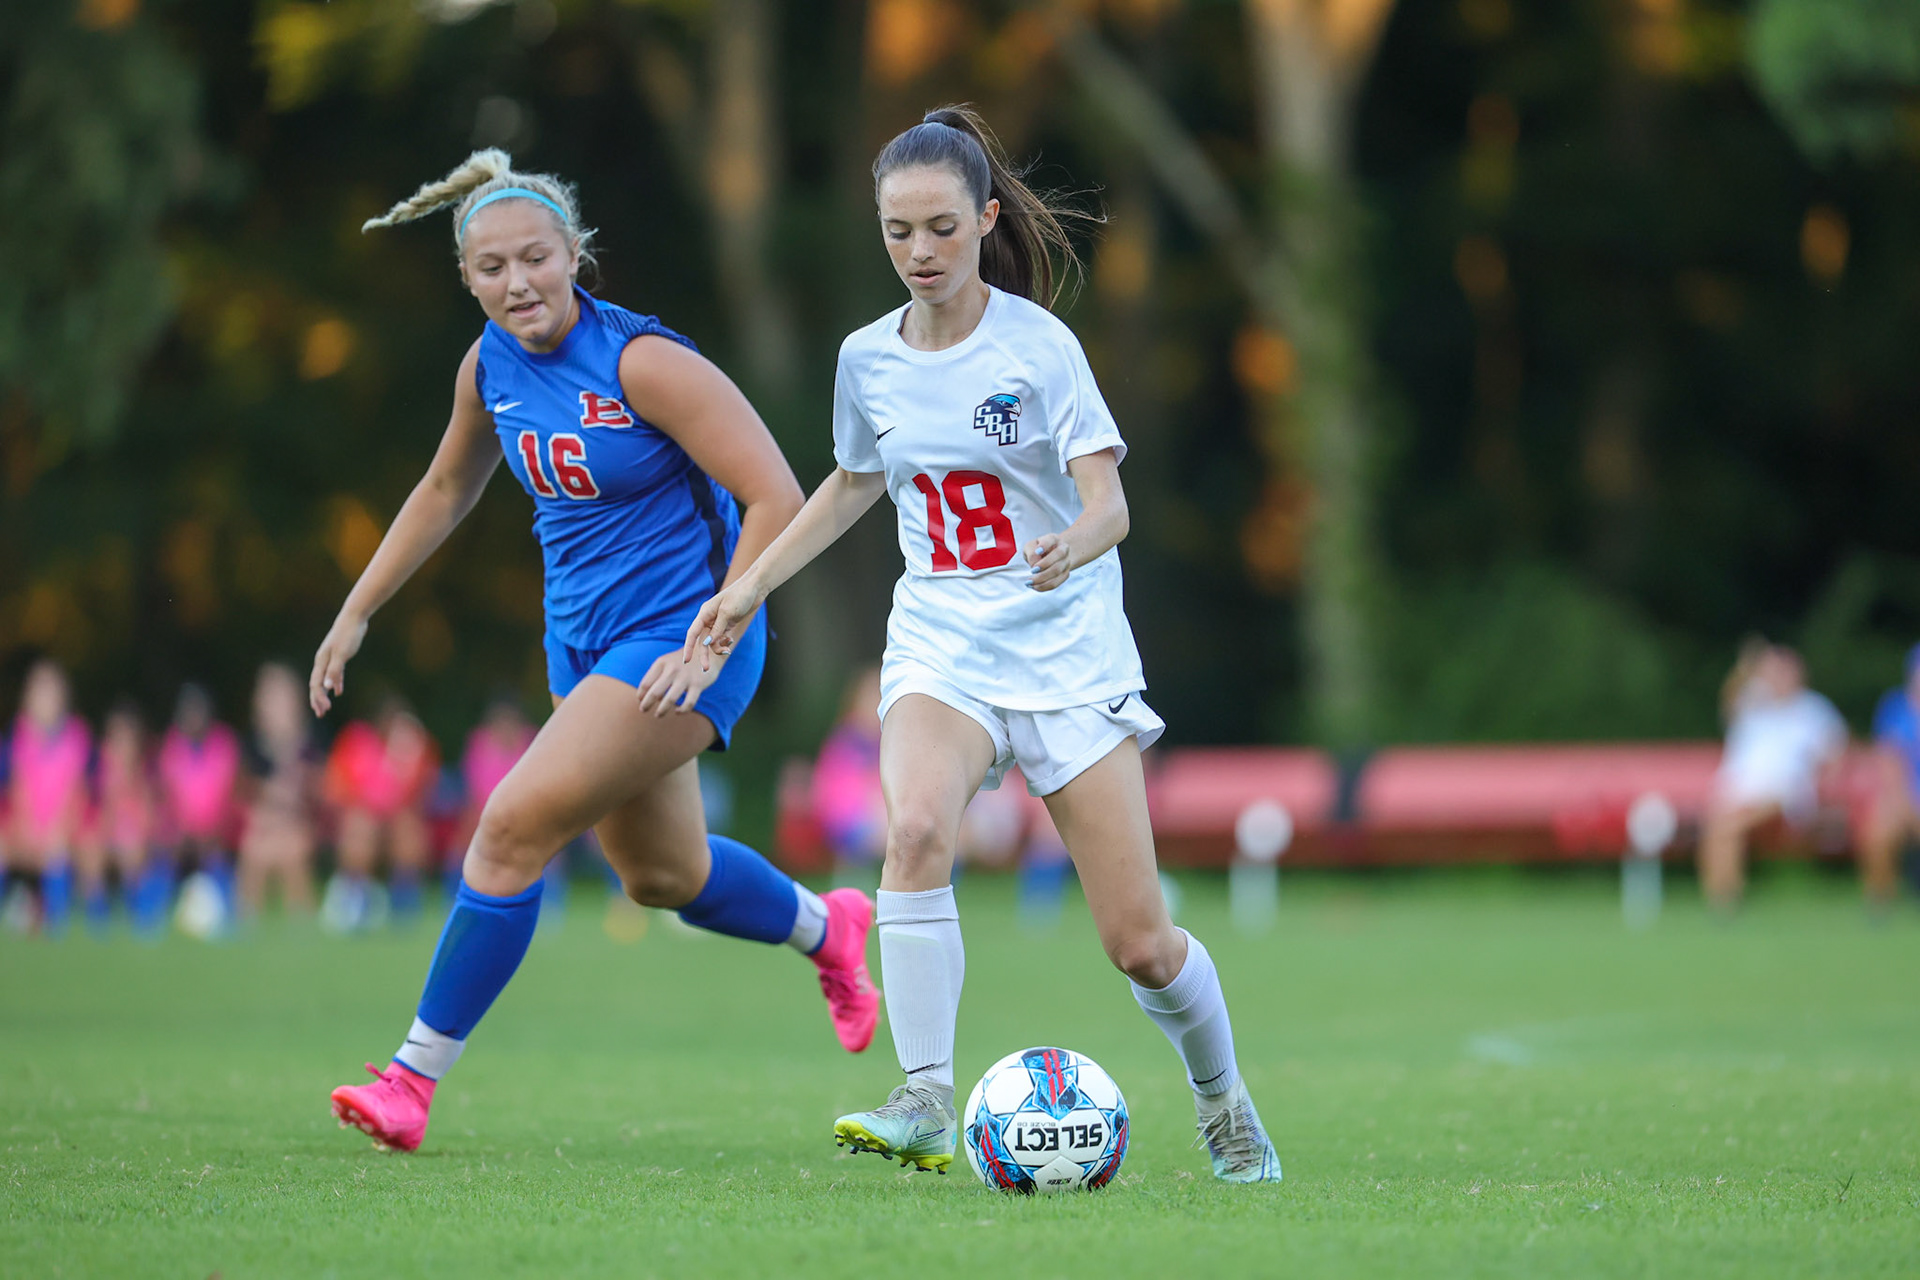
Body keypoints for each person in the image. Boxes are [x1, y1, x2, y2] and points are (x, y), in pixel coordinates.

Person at [684, 106, 1281, 1183]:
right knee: (913, 827)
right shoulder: (866, 357)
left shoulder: (1039, 347)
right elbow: (854, 484)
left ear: (986, 219)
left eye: (941, 228)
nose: (918, 252)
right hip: (942, 646)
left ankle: (1223, 1101)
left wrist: (1073, 544)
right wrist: (749, 585)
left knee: (1140, 942)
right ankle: (924, 1096)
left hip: (1067, 658)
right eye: (897, 231)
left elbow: (1110, 504)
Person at [315, 149, 877, 1154]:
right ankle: (827, 927)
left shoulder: (641, 364)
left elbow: (778, 498)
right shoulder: (487, 366)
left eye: (535, 257)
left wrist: (713, 639)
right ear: (467, 277)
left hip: (685, 638)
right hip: (581, 646)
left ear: (574, 253)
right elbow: (445, 489)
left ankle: (409, 1079)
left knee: (509, 826)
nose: (517, 282)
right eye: (492, 267)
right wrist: (357, 608)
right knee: (663, 876)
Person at [1700, 640, 1848, 910]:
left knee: (1726, 826)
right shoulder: (1752, 703)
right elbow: (1728, 700)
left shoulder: (1814, 711)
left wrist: (1828, 793)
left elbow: (1835, 757)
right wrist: (1744, 669)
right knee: (1721, 824)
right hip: (1741, 790)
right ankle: (1723, 896)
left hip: (1786, 795)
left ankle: (1725, 899)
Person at [320, 697, 440, 929]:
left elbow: (421, 792)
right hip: (362, 816)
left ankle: (404, 897)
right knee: (360, 826)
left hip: (397, 818)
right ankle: (355, 895)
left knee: (408, 827)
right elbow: (339, 789)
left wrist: (404, 762)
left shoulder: (414, 746)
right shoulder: (356, 741)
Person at [5, 659, 91, 934]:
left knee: (60, 849)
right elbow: (18, 790)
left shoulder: (77, 735)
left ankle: (58, 917)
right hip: (26, 826)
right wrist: (27, 829)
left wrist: (56, 830)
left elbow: (75, 794)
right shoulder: (20, 733)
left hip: (64, 828)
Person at [76, 701, 169, 934]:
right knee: (90, 848)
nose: (122, 746)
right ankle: (97, 914)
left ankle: (136, 910)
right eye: (117, 739)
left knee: (135, 849)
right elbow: (92, 818)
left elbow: (150, 823)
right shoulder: (97, 771)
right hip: (106, 838)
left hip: (136, 844)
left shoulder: (146, 774)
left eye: (128, 739)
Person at [238, 662, 322, 920]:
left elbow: (310, 794)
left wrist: (288, 746)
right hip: (263, 827)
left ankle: (301, 915)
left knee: (293, 847)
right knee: (255, 848)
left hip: (297, 826)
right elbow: (248, 793)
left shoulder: (308, 745)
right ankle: (247, 918)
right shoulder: (251, 747)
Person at [156, 683, 242, 931]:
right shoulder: (172, 746)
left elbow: (228, 795)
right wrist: (182, 830)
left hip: (218, 831)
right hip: (181, 833)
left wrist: (209, 830)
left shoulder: (223, 743)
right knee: (166, 854)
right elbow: (168, 798)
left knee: (215, 853)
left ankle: (229, 912)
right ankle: (155, 915)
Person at [1860, 643, 1920, 907]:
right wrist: (1908, 808)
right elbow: (1889, 765)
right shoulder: (1895, 707)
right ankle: (1880, 898)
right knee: (1879, 831)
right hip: (1903, 796)